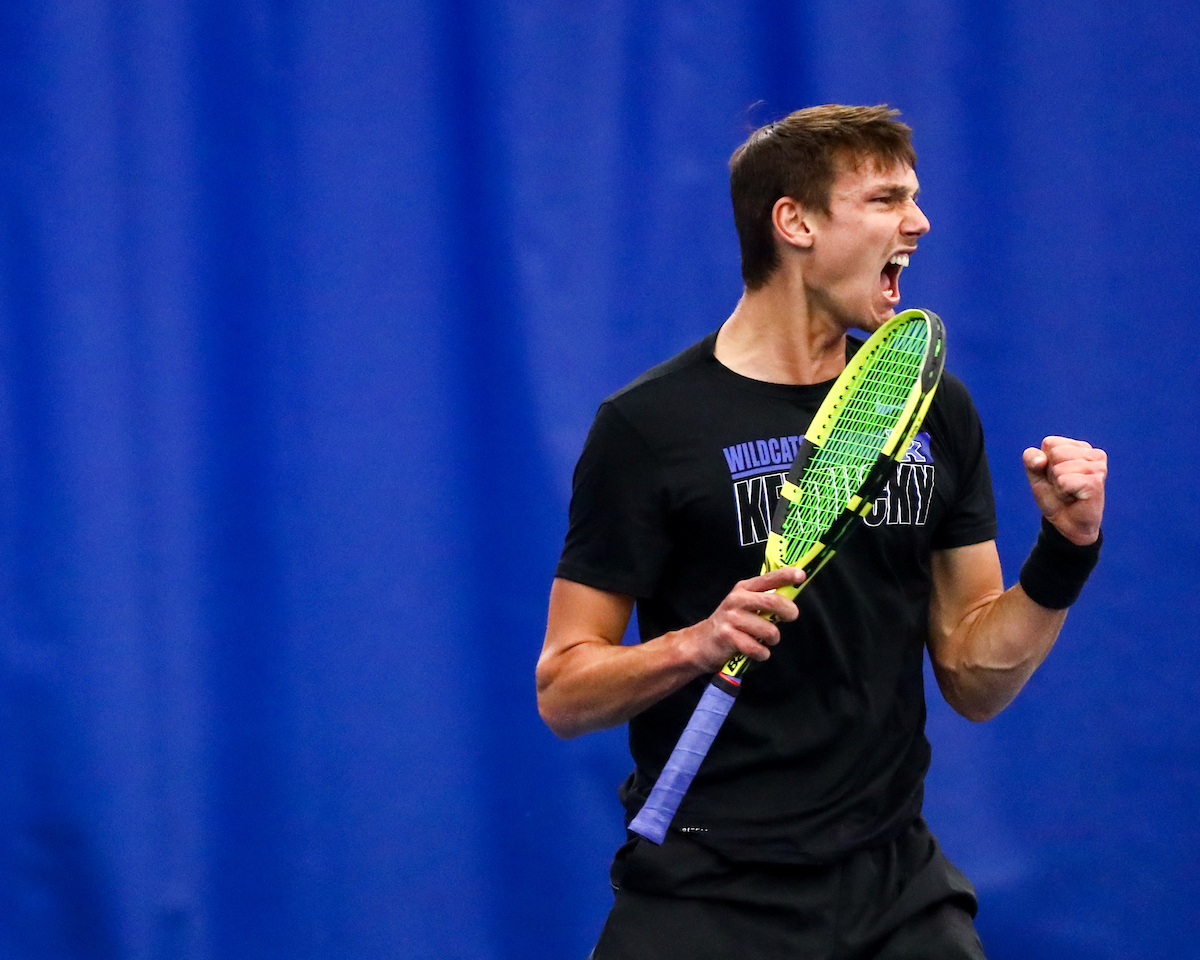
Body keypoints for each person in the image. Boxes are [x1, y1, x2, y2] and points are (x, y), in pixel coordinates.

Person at [536, 104, 1106, 960]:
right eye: (884, 200)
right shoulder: (646, 428)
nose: (918, 223)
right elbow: (564, 690)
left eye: (912, 199)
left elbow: (973, 680)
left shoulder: (931, 410)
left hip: (894, 893)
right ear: (794, 221)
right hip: (708, 895)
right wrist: (697, 643)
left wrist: (1064, 552)